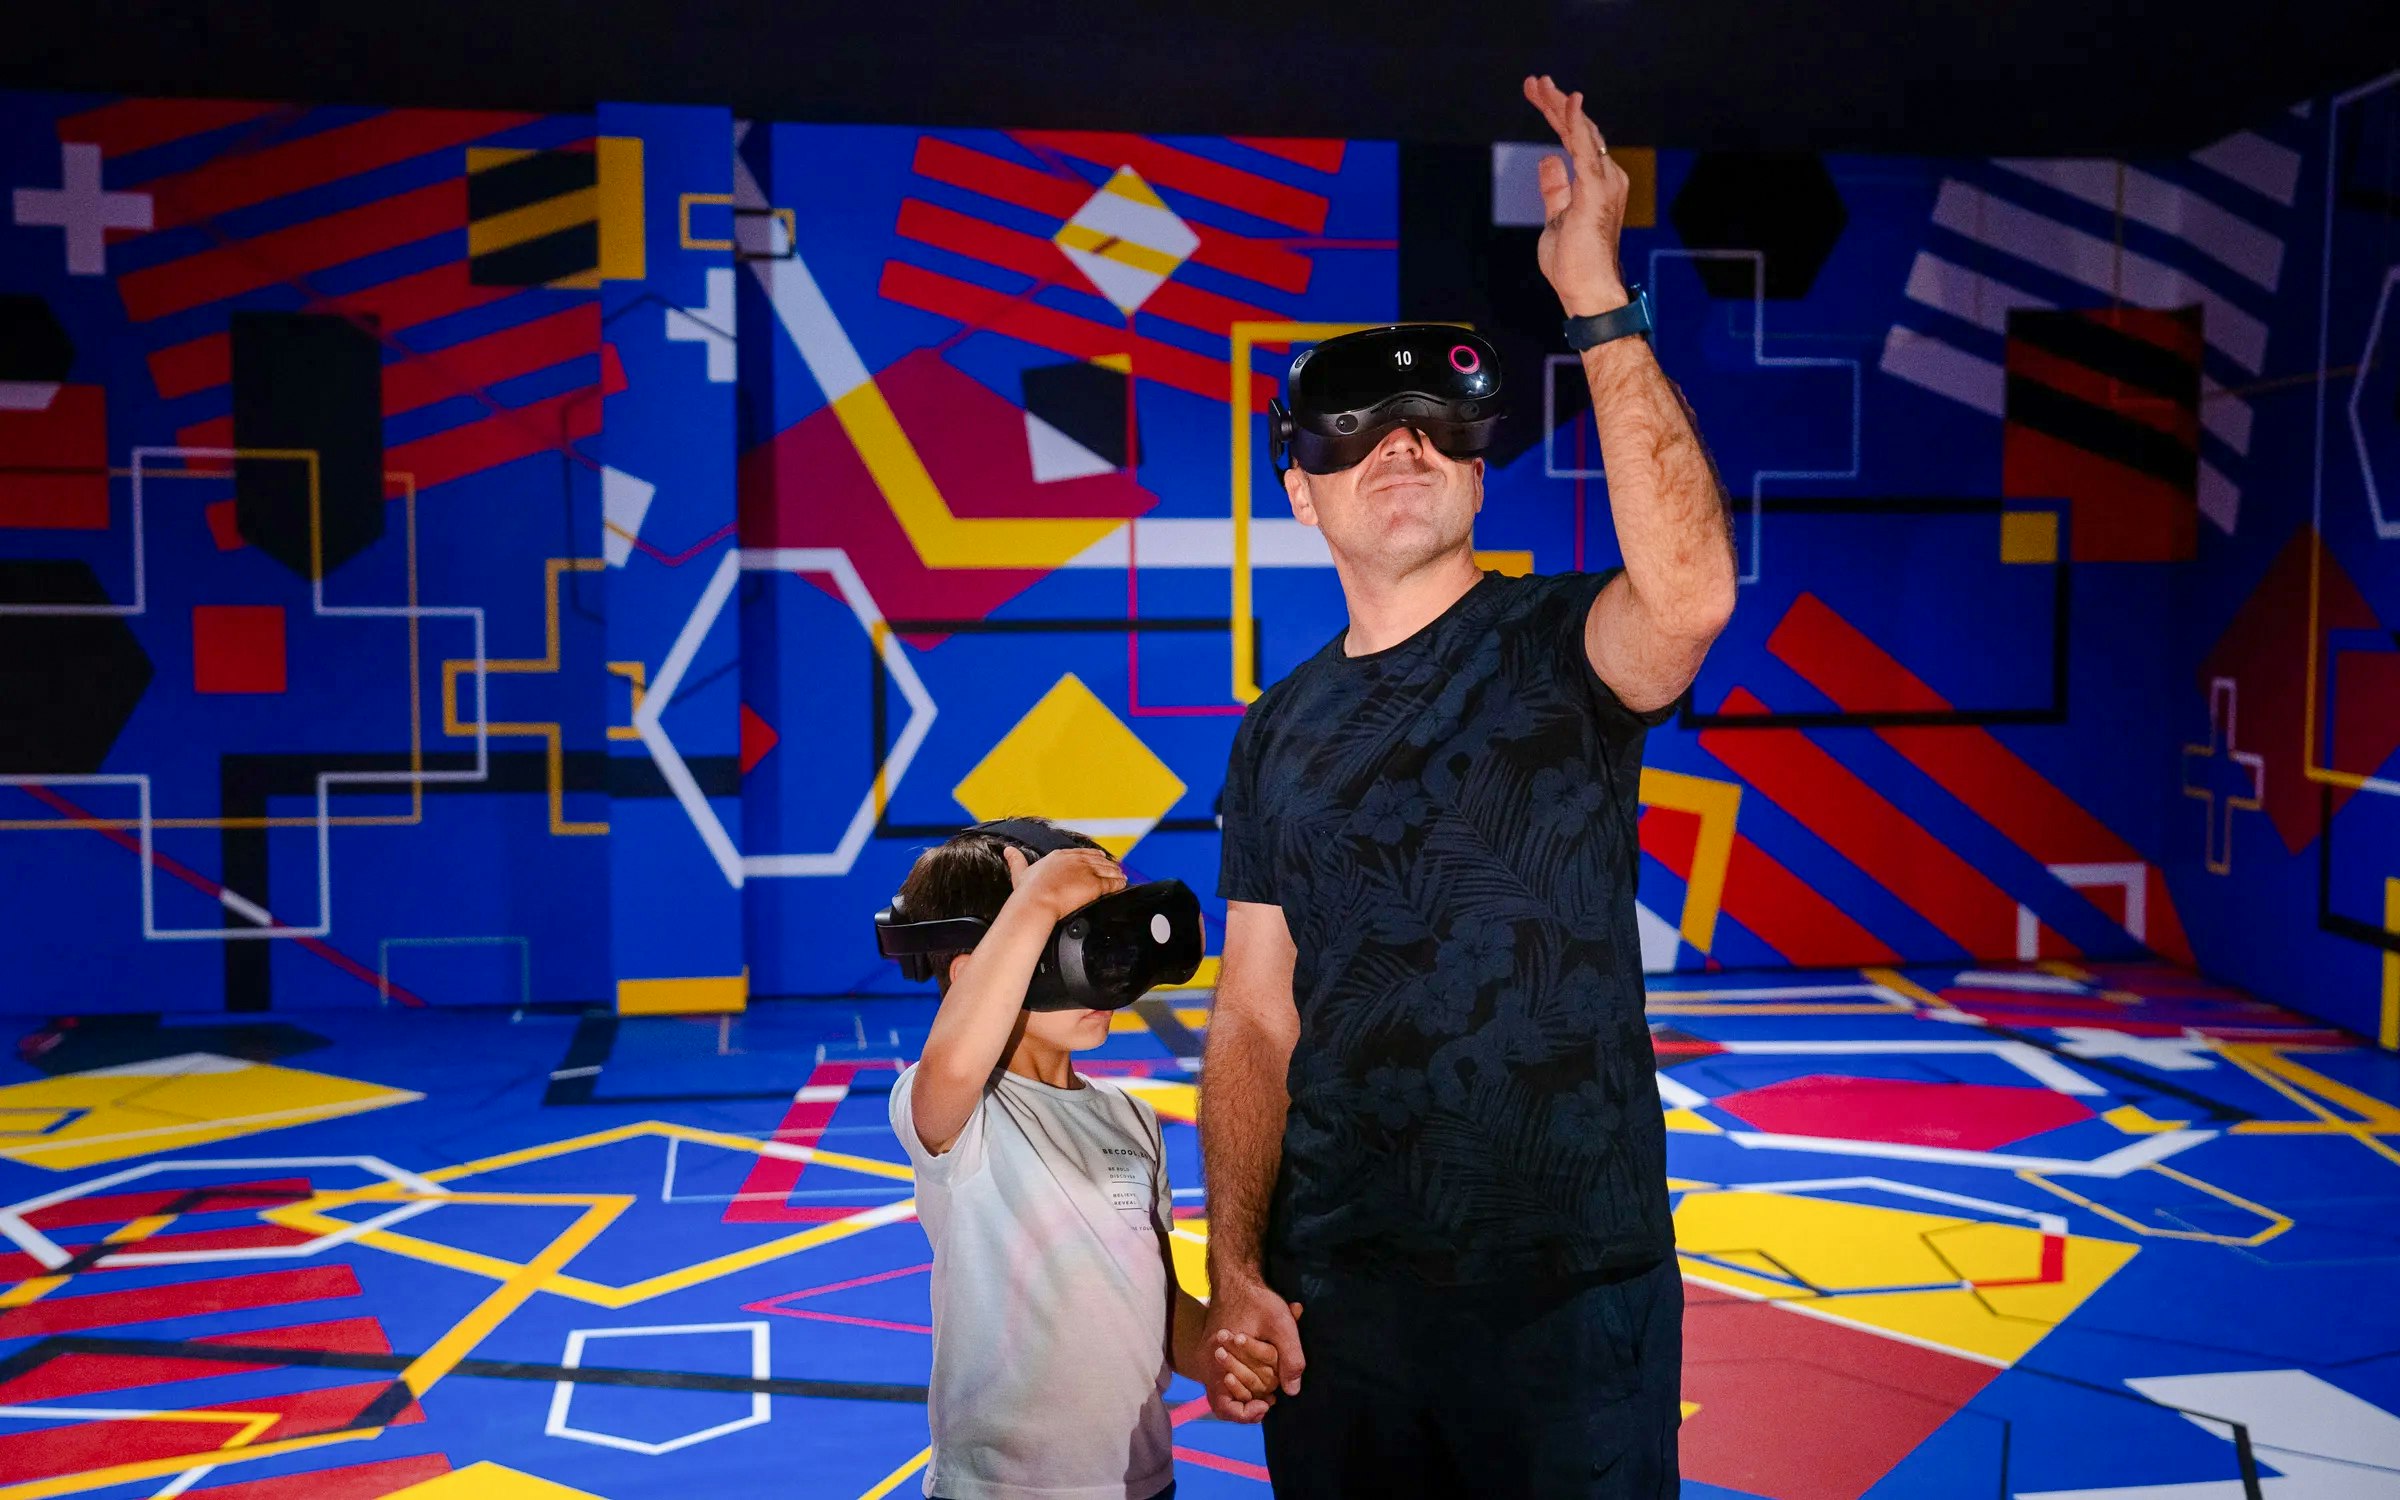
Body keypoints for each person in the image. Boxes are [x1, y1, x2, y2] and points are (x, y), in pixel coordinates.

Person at [1196, 75, 1738, 1497]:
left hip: (1573, 1291)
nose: (1403, 441)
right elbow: (1254, 1014)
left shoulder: (1565, 645)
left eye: (1438, 425)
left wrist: (1596, 297)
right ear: (1299, 495)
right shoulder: (1275, 730)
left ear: (1481, 480)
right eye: (1357, 430)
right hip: (1340, 1297)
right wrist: (1237, 1263)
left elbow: (1690, 595)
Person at [886, 820, 1289, 1500]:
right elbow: (952, 1062)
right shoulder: (960, 1114)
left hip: (1140, 1479)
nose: (1107, 975)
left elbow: (1158, 1303)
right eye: (1068, 948)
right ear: (973, 973)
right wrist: (1036, 900)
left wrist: (1215, 1354)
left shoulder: (1129, 1120)